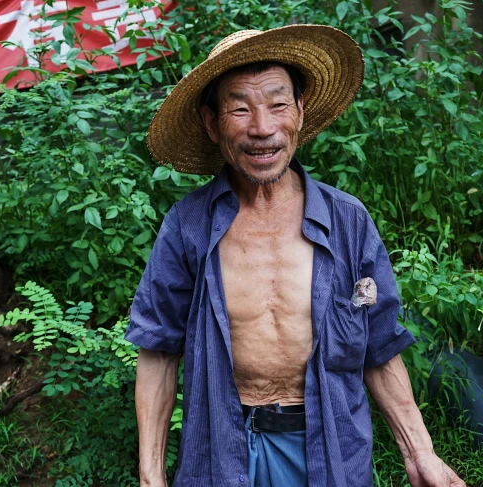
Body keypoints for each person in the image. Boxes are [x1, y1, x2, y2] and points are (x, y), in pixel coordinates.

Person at [124, 26, 465, 487]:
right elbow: (159, 352)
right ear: (211, 124)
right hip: (222, 456)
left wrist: (419, 452)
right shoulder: (189, 227)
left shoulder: (348, 222)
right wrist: (151, 476)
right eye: (239, 108)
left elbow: (378, 346)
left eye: (278, 104)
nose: (262, 128)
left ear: (300, 113)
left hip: (331, 453)